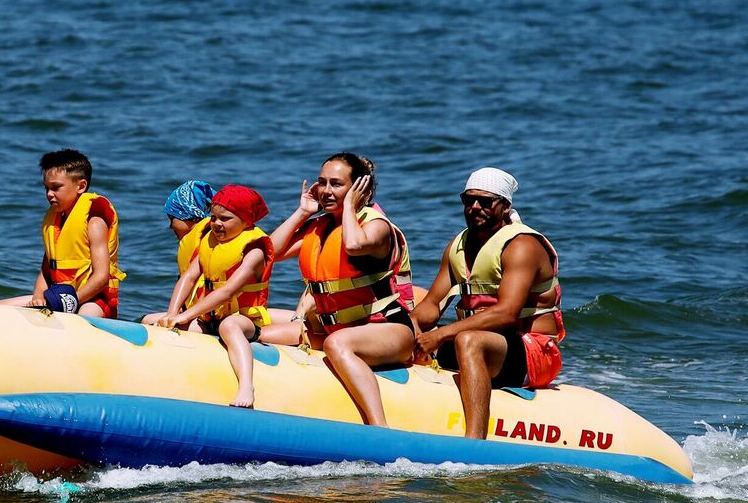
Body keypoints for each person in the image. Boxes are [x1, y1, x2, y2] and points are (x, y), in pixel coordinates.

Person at [259, 153, 418, 426]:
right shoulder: (318, 226)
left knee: (337, 343)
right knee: (265, 334)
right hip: (336, 328)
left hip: (389, 330)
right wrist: (303, 212)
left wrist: (350, 208)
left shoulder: (376, 225)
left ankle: (380, 427)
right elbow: (270, 251)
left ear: (359, 189)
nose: (326, 191)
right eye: (322, 183)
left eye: (336, 184)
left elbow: (354, 245)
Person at [413, 167, 565, 439]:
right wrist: (408, 327)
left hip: (534, 352)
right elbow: (432, 305)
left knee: (468, 340)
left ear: (505, 206)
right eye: (468, 200)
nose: (474, 207)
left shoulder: (522, 246)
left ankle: (475, 441)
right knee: (410, 320)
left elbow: (507, 314)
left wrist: (441, 334)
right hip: (489, 345)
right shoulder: (458, 245)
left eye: (485, 201)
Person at [151, 184, 273, 408]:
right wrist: (172, 314)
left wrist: (186, 315)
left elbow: (227, 291)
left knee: (230, 326)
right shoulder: (209, 243)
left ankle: (246, 385)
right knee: (153, 320)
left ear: (246, 221)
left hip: (243, 318)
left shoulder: (254, 252)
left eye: (225, 219)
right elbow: (188, 278)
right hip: (209, 319)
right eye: (213, 217)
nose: (217, 224)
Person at [0, 148, 123, 317]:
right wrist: (38, 297)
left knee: (83, 317)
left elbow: (101, 276)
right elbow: (46, 271)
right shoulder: (55, 224)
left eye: (56, 187)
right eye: (46, 188)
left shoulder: (95, 221)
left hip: (95, 300)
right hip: (59, 297)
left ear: (81, 186)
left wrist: (72, 301)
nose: (49, 194)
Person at [159, 179, 215, 318]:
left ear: (190, 216)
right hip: (195, 314)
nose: (170, 226)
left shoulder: (210, 243)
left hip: (209, 318)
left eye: (173, 219)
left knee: (147, 321)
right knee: (146, 319)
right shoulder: (202, 238)